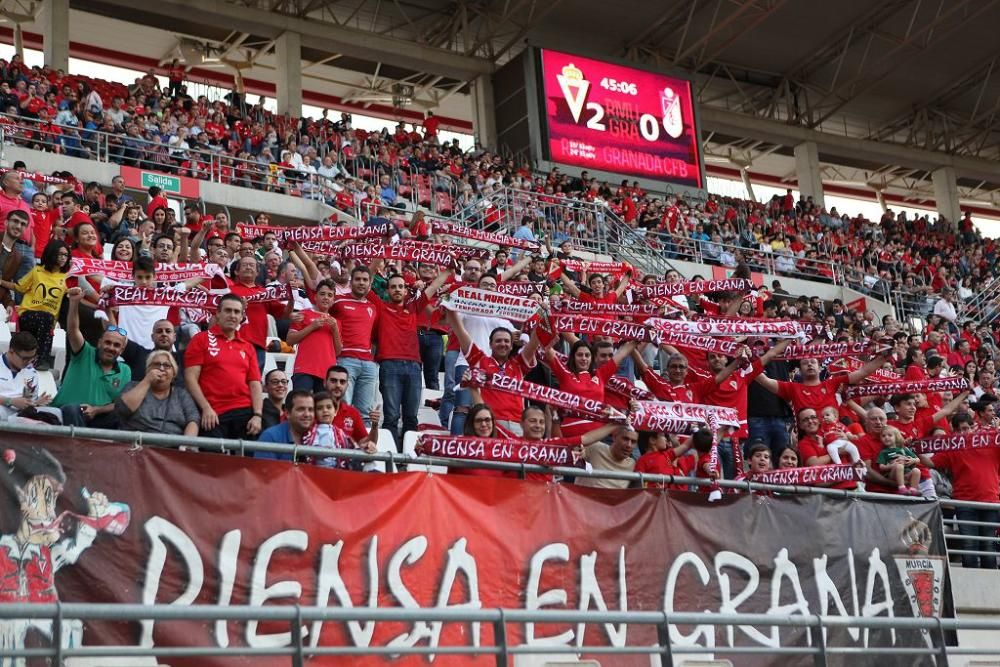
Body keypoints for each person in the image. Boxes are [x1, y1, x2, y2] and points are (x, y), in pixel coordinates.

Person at [374, 271, 449, 450]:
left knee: (411, 417)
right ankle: (389, 458)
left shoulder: (414, 307)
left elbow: (434, 286)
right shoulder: (380, 307)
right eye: (393, 287)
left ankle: (409, 458)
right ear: (387, 291)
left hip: (414, 367)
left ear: (406, 290)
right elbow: (368, 276)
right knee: (391, 416)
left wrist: (448, 270)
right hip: (389, 365)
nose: (397, 290)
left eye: (400, 286)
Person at [444, 307, 542, 435]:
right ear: (490, 345)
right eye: (498, 341)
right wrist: (450, 307)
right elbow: (460, 331)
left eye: (507, 341)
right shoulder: (480, 361)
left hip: (517, 425)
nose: (503, 344)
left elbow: (535, 341)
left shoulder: (519, 363)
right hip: (490, 425)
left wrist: (541, 314)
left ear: (512, 345)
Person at [924, 414, 1000, 568]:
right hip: (965, 503)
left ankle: (990, 585)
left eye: (966, 428)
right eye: (958, 430)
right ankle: (971, 585)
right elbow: (930, 462)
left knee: (988, 545)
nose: (962, 433)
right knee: (969, 545)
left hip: (990, 501)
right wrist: (916, 450)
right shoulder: (952, 449)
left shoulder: (992, 444)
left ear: (974, 427)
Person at [184, 293, 264, 439]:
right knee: (213, 460)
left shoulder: (248, 347)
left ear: (241, 317)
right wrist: (206, 408)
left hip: (244, 411)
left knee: (248, 459)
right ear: (218, 313)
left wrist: (257, 414)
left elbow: (255, 383)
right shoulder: (200, 340)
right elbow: (190, 379)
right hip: (212, 412)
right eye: (228, 310)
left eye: (236, 312)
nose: (232, 315)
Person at [53, 287, 131, 428]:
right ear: (100, 342)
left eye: (116, 345)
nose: (111, 347)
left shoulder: (125, 370)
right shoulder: (84, 352)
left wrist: (96, 410)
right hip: (70, 413)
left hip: (99, 417)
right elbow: (73, 329)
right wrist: (74, 303)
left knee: (123, 415)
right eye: (107, 342)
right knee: (73, 409)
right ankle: (76, 448)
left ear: (122, 349)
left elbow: (120, 403)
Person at [7, 240, 69, 371]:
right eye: (60, 254)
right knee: (46, 318)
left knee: (47, 319)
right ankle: (41, 360)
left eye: (66, 255)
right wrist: (1, 281)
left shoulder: (66, 277)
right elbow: (19, 287)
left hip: (47, 323)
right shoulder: (37, 271)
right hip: (28, 315)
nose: (63, 258)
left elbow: (71, 293)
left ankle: (37, 360)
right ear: (52, 254)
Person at [332, 266, 379, 424]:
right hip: (345, 360)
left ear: (370, 284)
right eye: (358, 279)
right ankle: (340, 445)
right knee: (343, 408)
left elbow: (374, 336)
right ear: (351, 282)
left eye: (365, 280)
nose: (361, 282)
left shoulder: (372, 307)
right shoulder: (338, 301)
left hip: (368, 364)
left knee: (365, 413)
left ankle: (361, 447)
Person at [115, 350, 199, 436]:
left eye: (167, 366)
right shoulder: (132, 386)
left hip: (171, 446)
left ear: (174, 373)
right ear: (148, 369)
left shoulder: (181, 395)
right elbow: (122, 409)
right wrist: (147, 381)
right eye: (156, 364)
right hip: (135, 444)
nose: (161, 369)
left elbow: (193, 419)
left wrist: (186, 443)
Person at [286, 279, 341, 392]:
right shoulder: (303, 314)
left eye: (330, 295)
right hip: (304, 369)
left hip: (327, 372)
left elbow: (338, 351)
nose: (326, 297)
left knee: (322, 408)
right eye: (322, 294)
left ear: (333, 300)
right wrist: (312, 326)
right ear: (315, 297)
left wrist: (335, 330)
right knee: (300, 404)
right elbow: (289, 340)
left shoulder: (336, 322)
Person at [0, 331, 55, 421]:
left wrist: (36, 402)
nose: (29, 362)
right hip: (2, 410)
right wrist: (11, 401)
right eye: (25, 358)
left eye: (33, 357)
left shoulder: (31, 373)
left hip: (22, 415)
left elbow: (29, 401)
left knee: (56, 413)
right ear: (11, 351)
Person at [323, 364, 378, 451]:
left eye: (342, 382)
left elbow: (367, 444)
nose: (338, 385)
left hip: (344, 463)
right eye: (333, 381)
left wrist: (374, 426)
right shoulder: (312, 408)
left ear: (347, 385)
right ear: (325, 383)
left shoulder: (353, 413)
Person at [576, 427, 641, 489]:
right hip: (582, 499)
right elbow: (573, 447)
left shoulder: (632, 464)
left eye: (633, 442)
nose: (629, 445)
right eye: (625, 439)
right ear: (614, 437)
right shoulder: (594, 448)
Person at [256, 390, 315, 455]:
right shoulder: (270, 437)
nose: (307, 414)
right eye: (301, 409)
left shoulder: (319, 435)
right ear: (287, 413)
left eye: (310, 410)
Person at [0, 210, 36, 310]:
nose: (18, 226)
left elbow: (3, 286)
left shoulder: (17, 257)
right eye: (15, 221)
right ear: (6, 222)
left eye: (23, 224)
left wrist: (9, 304)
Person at [875, 426, 923, 496]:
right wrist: (892, 465)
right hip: (893, 474)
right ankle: (901, 488)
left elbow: (918, 459)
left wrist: (912, 460)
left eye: (890, 435)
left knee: (916, 470)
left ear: (896, 437)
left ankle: (913, 490)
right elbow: (881, 467)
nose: (886, 437)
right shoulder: (884, 452)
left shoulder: (903, 449)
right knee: (899, 466)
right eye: (883, 436)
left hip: (906, 473)